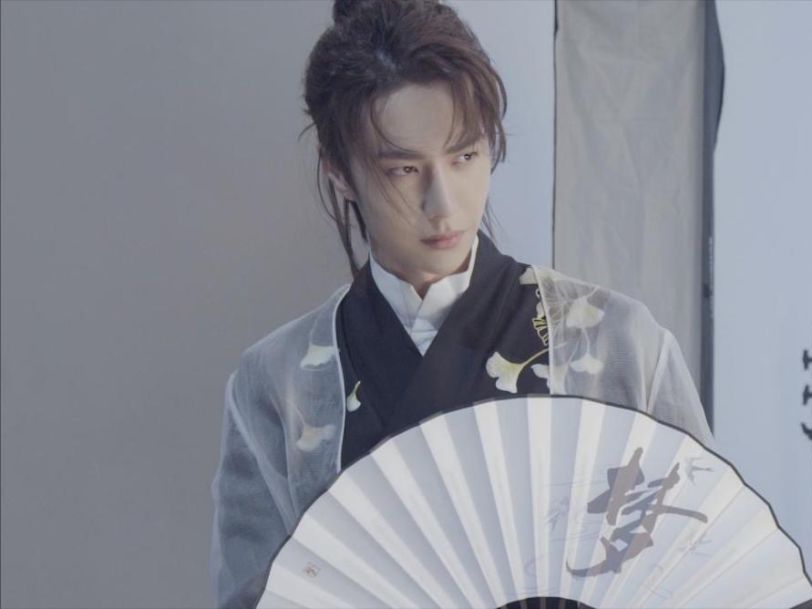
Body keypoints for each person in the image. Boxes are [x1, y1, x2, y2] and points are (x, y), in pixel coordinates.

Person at [209, 0, 715, 607]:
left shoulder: (615, 343)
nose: (444, 204)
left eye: (465, 156)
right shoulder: (279, 383)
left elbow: (702, 567)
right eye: (404, 170)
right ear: (339, 171)